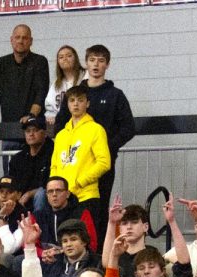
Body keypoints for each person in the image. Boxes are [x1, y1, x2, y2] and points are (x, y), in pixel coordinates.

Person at [52, 44, 135, 236]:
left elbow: (129, 128)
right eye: (92, 60)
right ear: (86, 63)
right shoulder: (75, 93)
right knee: (66, 209)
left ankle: (98, 254)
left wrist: (107, 146)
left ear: (107, 64)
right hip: (72, 164)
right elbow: (59, 126)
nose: (96, 65)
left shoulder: (115, 95)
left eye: (101, 60)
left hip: (101, 163)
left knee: (99, 207)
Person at [0, 24, 49, 137]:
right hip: (9, 131)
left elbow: (41, 94)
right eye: (17, 37)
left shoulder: (40, 62)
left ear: (31, 41)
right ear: (11, 40)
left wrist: (31, 116)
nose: (20, 41)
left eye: (25, 38)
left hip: (34, 130)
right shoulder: (1, 63)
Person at [50, 85, 110, 224]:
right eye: (71, 100)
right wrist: (55, 189)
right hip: (63, 199)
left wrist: (79, 182)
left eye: (80, 100)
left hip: (86, 196)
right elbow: (54, 166)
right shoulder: (61, 135)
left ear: (87, 103)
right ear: (67, 104)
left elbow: (104, 162)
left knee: (86, 242)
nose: (75, 104)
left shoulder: (96, 129)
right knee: (64, 241)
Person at [45, 45, 85, 126]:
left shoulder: (85, 76)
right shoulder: (56, 84)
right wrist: (51, 116)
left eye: (69, 56)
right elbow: (50, 107)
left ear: (75, 59)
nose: (65, 59)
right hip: (63, 124)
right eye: (61, 57)